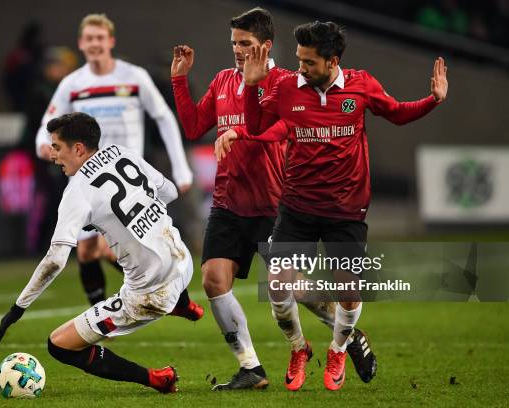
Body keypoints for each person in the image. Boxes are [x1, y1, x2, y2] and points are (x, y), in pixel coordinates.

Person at [234, 20, 448, 391]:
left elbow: (396, 112)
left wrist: (433, 100)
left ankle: (338, 349)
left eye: (309, 62)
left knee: (349, 293)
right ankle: (299, 348)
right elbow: (255, 127)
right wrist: (251, 88)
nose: (301, 67)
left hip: (346, 211)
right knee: (278, 288)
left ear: (333, 61)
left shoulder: (362, 85)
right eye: (299, 59)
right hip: (297, 206)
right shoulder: (285, 87)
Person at [172, 8, 375, 391]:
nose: (238, 50)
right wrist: (180, 80)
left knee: (293, 288)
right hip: (228, 202)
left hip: (274, 203)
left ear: (266, 46)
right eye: (234, 43)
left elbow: (285, 129)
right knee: (214, 280)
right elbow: (195, 126)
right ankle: (251, 367)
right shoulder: (221, 82)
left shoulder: (289, 84)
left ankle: (348, 335)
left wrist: (243, 133)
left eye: (246, 44)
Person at [0, 112, 196, 393]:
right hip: (184, 263)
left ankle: (156, 378)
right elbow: (171, 192)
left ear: (78, 148)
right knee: (157, 251)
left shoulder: (77, 192)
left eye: (56, 147)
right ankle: (184, 304)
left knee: (59, 345)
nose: (53, 155)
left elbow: (55, 260)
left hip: (149, 294)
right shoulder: (120, 152)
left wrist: (19, 307)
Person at [35, 14, 198, 317]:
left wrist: (181, 168)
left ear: (110, 41)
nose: (95, 43)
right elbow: (48, 120)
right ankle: (111, 312)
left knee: (115, 248)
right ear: (82, 43)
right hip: (87, 181)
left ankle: (171, 296)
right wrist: (42, 145)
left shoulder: (133, 76)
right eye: (89, 38)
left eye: (100, 38)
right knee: (87, 250)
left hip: (126, 184)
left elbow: (163, 116)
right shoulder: (73, 83)